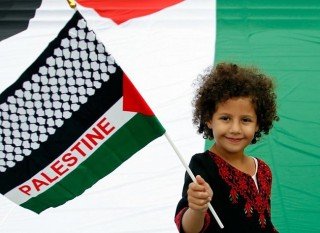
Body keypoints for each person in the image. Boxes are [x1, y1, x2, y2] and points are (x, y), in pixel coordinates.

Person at [174, 62, 279, 232]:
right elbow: (189, 229)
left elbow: (264, 224)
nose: (235, 129)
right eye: (225, 118)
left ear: (258, 124)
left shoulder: (263, 171)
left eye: (245, 120)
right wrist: (196, 209)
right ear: (209, 119)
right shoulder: (202, 165)